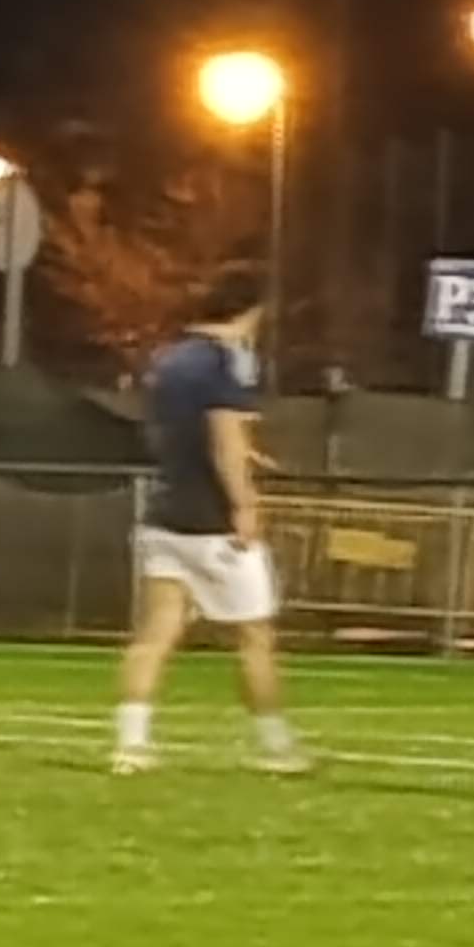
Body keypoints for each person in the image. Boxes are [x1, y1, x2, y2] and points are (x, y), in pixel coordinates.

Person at [113, 269, 311, 778]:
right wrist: (244, 502)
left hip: (165, 515)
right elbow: (224, 437)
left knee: (155, 634)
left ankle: (130, 745)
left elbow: (181, 433)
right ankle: (276, 746)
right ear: (252, 311)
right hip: (213, 524)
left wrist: (244, 453)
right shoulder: (227, 361)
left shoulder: (167, 359)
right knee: (254, 637)